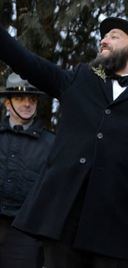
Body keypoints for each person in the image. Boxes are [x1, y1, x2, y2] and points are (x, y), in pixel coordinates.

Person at [1, 16, 128, 267]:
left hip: (114, 226)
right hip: (63, 219)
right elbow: (25, 61)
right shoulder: (80, 78)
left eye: (114, 36)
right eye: (104, 36)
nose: (104, 40)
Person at [0, 73, 53, 268]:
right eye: (20, 98)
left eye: (32, 99)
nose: (27, 104)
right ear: (7, 103)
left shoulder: (51, 144)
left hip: (25, 234)